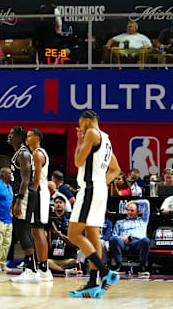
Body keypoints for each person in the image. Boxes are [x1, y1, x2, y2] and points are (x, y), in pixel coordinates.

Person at [67, 110, 121, 299]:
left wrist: (79, 141)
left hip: (90, 188)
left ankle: (106, 273)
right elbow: (116, 169)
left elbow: (78, 161)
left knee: (73, 233)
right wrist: (101, 183)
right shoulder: (106, 139)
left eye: (80, 123)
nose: (79, 127)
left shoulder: (90, 133)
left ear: (88, 122)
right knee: (92, 235)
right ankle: (92, 282)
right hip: (99, 189)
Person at [7, 126, 40, 283]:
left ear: (20, 136)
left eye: (12, 134)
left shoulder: (24, 153)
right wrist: (14, 200)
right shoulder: (18, 153)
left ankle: (32, 269)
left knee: (22, 230)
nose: (9, 136)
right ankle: (31, 267)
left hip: (26, 194)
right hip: (21, 194)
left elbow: (26, 180)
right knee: (22, 230)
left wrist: (19, 199)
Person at [26, 128, 53, 281]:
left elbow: (36, 179)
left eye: (29, 136)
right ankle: (41, 266)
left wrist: (30, 195)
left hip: (39, 193)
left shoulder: (37, 153)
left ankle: (43, 267)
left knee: (38, 230)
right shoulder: (36, 153)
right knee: (36, 231)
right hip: (40, 193)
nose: (26, 138)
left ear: (37, 138)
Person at [109, 199, 150, 276]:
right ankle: (119, 265)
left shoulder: (143, 220)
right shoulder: (120, 222)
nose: (130, 212)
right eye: (128, 210)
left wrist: (131, 202)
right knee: (113, 239)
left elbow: (146, 203)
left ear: (138, 212)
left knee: (146, 240)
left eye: (132, 210)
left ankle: (142, 267)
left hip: (137, 243)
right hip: (124, 244)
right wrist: (123, 239)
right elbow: (114, 235)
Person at [47, 195, 79, 275]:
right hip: (53, 259)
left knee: (76, 262)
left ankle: (57, 270)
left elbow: (74, 245)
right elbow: (49, 246)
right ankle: (64, 271)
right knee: (45, 262)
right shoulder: (50, 220)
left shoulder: (70, 221)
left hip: (67, 259)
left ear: (65, 205)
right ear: (53, 205)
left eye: (60, 202)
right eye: (56, 202)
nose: (58, 204)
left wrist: (58, 233)